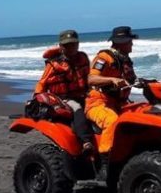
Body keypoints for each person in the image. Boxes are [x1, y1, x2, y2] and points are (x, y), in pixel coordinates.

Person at [85, 26, 138, 173]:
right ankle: (105, 163)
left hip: (119, 103)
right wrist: (111, 80)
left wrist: (148, 82)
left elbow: (132, 80)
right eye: (130, 41)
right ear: (122, 42)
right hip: (97, 102)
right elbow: (90, 78)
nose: (132, 44)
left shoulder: (125, 60)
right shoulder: (104, 57)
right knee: (112, 120)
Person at [34, 29, 94, 153]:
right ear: (61, 46)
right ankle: (86, 141)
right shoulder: (54, 64)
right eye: (67, 45)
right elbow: (42, 83)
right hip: (64, 98)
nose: (71, 47)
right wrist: (37, 98)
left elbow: (90, 76)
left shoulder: (82, 58)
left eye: (73, 44)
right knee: (77, 107)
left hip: (83, 94)